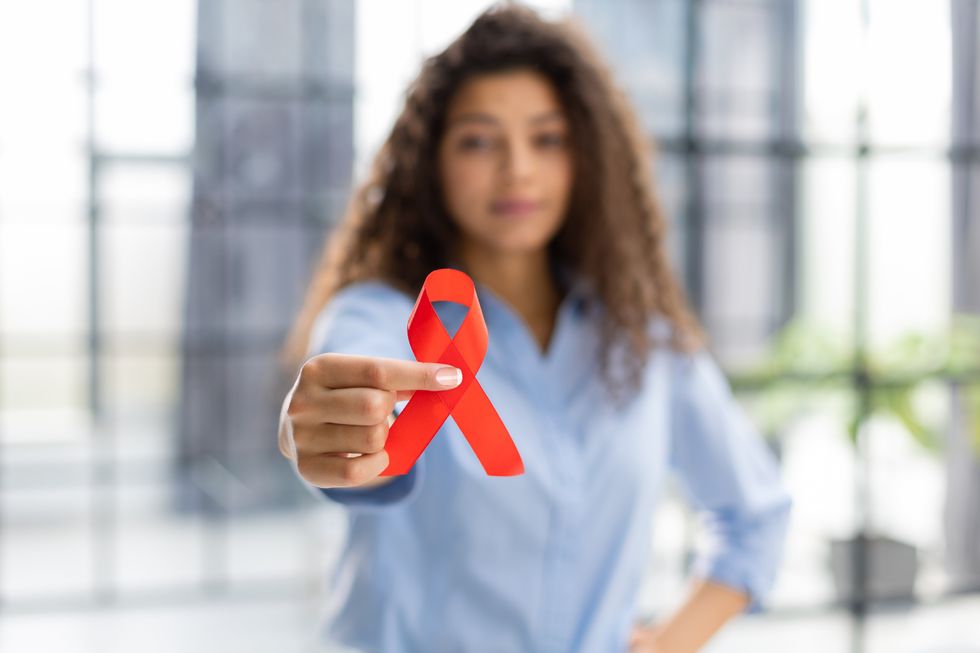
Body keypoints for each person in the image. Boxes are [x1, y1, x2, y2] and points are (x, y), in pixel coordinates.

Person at [278, 4, 791, 652]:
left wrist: (666, 644)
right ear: (430, 162)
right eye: (478, 140)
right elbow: (357, 417)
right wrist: (336, 438)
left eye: (547, 139)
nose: (517, 168)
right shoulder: (380, 316)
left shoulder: (643, 338)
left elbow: (757, 514)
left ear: (587, 158)